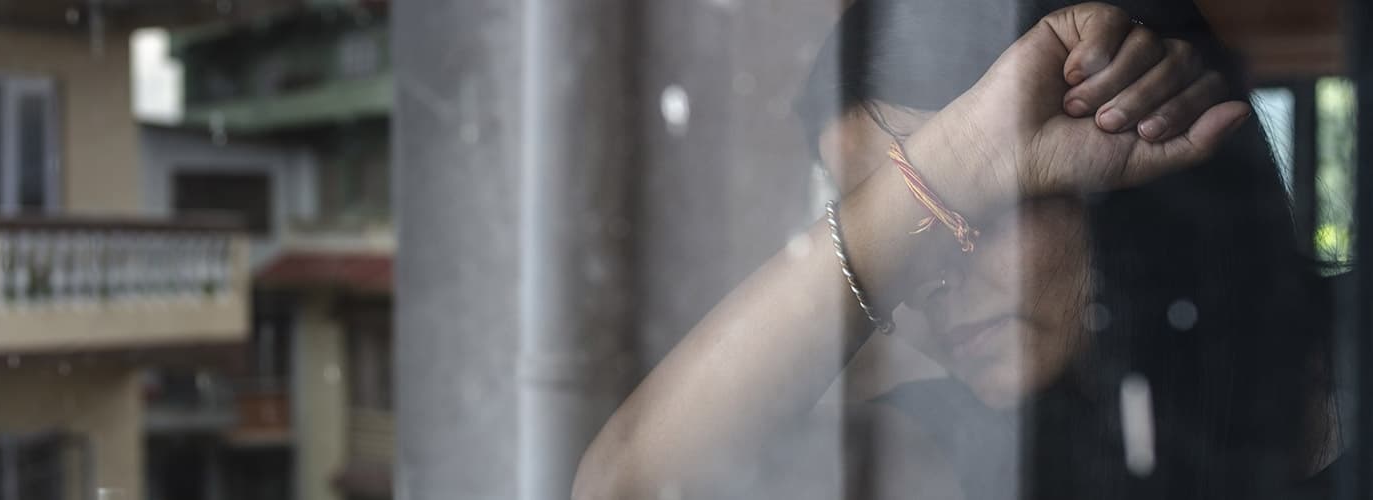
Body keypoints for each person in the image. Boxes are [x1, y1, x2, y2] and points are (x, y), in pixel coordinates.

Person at [573, 1, 1337, 499]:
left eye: (961, 205)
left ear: (1115, 143)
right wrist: (955, 159)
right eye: (901, 230)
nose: (920, 288)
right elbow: (627, 487)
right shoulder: (958, 454)